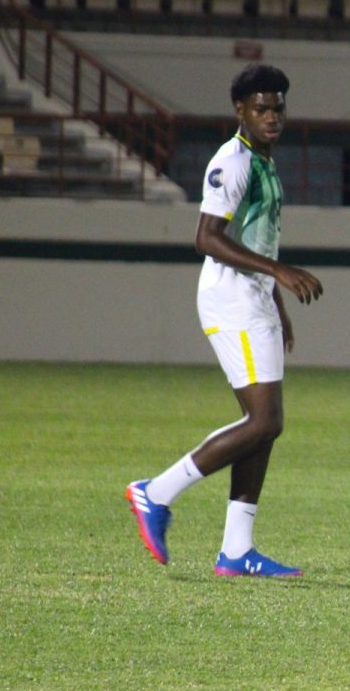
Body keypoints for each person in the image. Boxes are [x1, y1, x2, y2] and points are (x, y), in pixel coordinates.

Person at [125, 64, 325, 577]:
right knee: (264, 421)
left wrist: (276, 306)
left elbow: (257, 237)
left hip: (252, 299)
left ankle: (236, 550)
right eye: (261, 108)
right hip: (231, 299)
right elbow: (206, 237)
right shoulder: (233, 162)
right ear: (240, 110)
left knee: (264, 428)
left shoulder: (263, 160)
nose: (272, 116)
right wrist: (279, 273)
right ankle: (156, 492)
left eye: (278, 107)